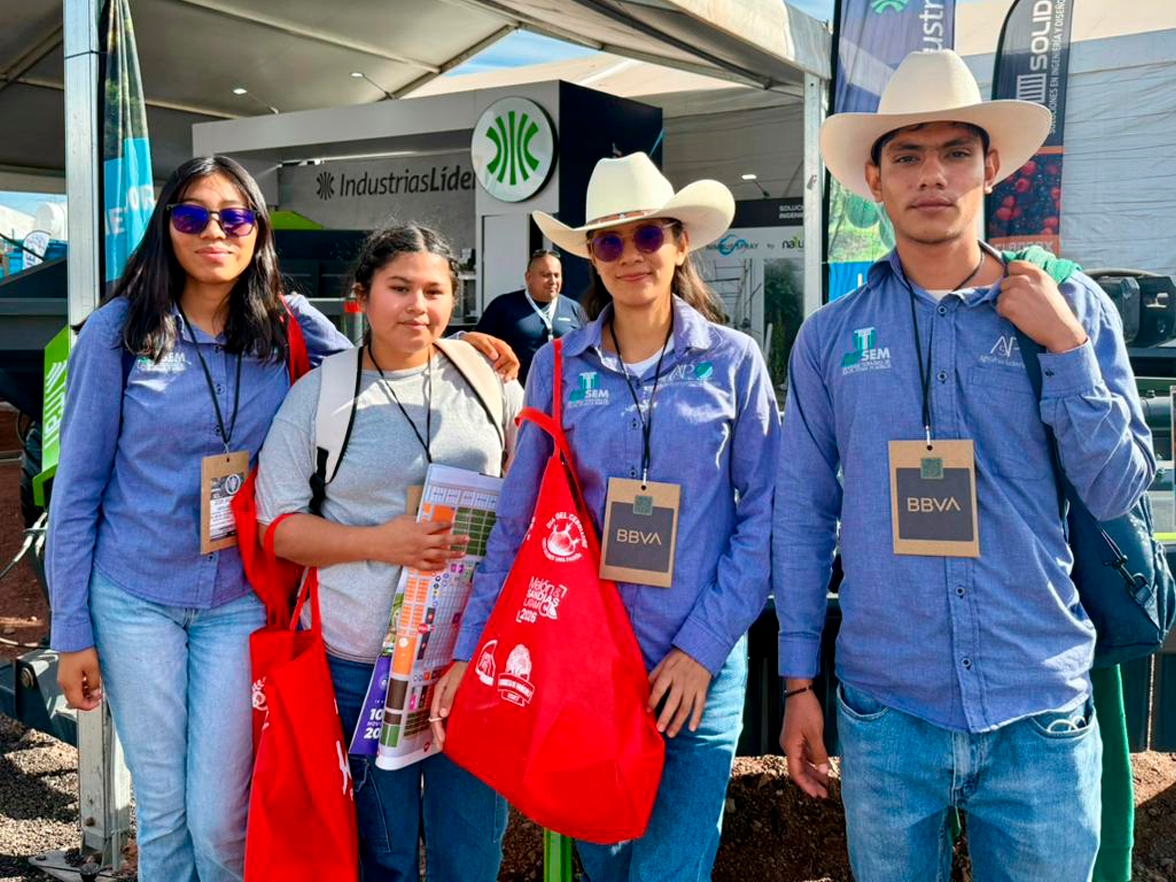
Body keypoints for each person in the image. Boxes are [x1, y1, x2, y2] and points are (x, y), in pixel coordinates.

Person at [46, 156, 517, 882]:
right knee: (166, 813)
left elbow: (384, 358)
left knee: (222, 815)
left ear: (257, 230)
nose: (214, 231)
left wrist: (462, 347)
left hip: (240, 602)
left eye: (234, 217)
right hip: (135, 598)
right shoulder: (119, 332)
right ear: (165, 226)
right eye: (193, 215)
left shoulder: (287, 323)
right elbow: (74, 495)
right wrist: (71, 634)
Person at [775, 49, 1154, 882]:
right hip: (886, 713)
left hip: (1037, 708)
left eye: (953, 152)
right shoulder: (831, 338)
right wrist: (798, 681)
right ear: (874, 179)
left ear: (991, 167)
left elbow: (1120, 486)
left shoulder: (1070, 307)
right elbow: (800, 514)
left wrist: (1065, 351)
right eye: (907, 155)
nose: (932, 175)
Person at [433, 152, 781, 881]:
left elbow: (768, 519)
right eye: (610, 241)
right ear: (591, 254)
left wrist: (704, 648)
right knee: (607, 869)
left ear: (681, 242)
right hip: (587, 670)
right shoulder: (557, 368)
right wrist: (470, 652)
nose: (631, 256)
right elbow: (515, 527)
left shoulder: (734, 362)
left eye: (648, 236)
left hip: (696, 677)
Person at [255, 223, 521, 882]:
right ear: (361, 296)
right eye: (399, 288)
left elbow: (531, 499)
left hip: (469, 665)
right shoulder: (322, 396)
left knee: (473, 854)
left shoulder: (490, 386)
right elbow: (278, 526)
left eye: (435, 291)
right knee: (386, 855)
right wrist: (379, 543)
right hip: (363, 669)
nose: (418, 306)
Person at [475, 248, 582, 382]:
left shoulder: (574, 308)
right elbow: (479, 344)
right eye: (545, 275)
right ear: (528, 277)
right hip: (519, 390)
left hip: (566, 392)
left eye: (557, 275)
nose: (553, 281)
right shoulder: (503, 305)